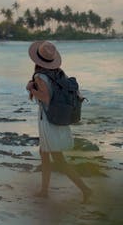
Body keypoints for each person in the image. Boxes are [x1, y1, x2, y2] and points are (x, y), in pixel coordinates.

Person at [26, 41, 92, 203]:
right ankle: (44, 190)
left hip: (49, 120)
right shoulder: (59, 73)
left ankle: (85, 189)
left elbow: (45, 98)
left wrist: (30, 88)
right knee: (45, 154)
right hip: (58, 118)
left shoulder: (40, 76)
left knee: (59, 160)